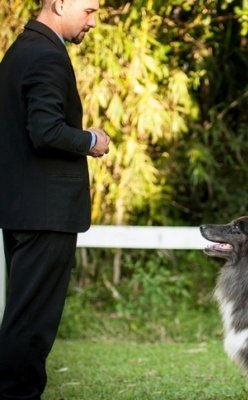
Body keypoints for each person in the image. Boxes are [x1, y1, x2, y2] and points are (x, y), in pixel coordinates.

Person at [0, 0, 110, 398]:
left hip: (24, 210)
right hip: (43, 213)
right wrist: (90, 140)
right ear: (59, 3)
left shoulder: (22, 49)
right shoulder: (46, 55)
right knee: (31, 322)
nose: (93, 22)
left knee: (24, 316)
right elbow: (44, 130)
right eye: (90, 10)